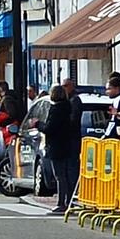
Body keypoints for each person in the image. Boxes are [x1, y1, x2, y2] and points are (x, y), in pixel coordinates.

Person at [41, 80, 85, 214]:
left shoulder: (57, 109)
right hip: (66, 144)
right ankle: (68, 201)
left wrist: (38, 124)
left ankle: (63, 203)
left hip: (57, 146)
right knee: (65, 175)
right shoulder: (68, 107)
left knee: (60, 175)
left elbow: (50, 128)